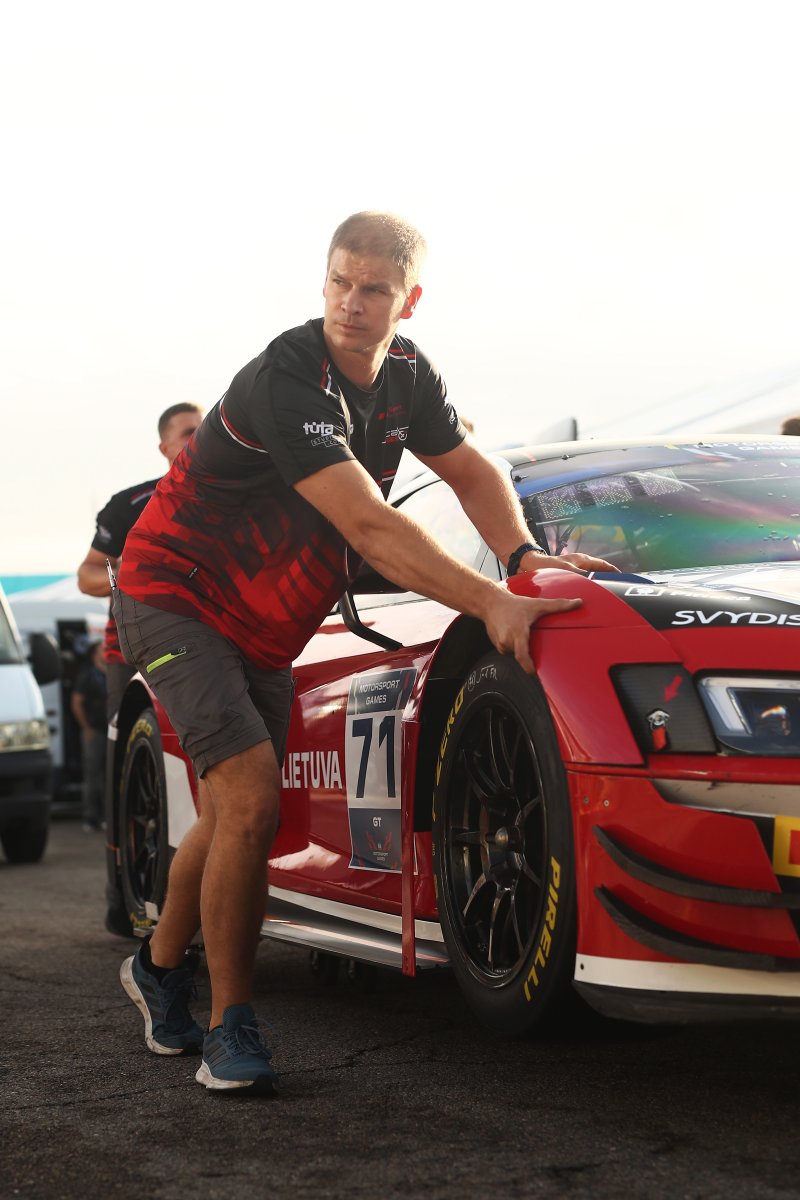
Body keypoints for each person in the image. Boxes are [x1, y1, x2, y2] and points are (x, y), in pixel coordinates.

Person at [112, 211, 616, 1095]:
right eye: (339, 282)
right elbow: (370, 526)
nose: (351, 302)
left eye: (373, 288)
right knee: (250, 796)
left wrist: (523, 558)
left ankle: (157, 969)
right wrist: (491, 601)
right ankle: (231, 1024)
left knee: (232, 813)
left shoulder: (410, 376)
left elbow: (472, 470)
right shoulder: (288, 377)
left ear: (407, 301)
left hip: (262, 627)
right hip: (172, 594)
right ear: (325, 282)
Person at [77, 402, 205, 722]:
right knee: (131, 741)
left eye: (204, 430)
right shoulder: (130, 504)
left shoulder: (238, 496)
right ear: (164, 448)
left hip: (214, 643)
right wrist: (134, 571)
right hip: (134, 651)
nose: (199, 438)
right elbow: (87, 575)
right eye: (189, 432)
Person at [70, 639, 107, 831]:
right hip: (95, 732)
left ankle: (107, 818)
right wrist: (87, 728)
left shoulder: (109, 674)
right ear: (95, 655)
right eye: (103, 649)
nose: (106, 651)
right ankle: (91, 818)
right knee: (92, 776)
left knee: (108, 776)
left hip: (108, 731)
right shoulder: (87, 676)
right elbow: (76, 702)